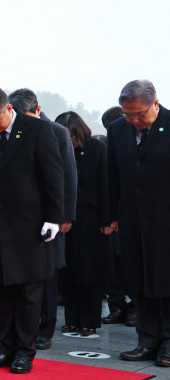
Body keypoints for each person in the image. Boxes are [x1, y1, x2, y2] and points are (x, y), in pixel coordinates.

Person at [0, 87, 64, 374]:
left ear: (9, 109)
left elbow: (53, 174)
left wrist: (54, 218)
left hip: (30, 224)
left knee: (28, 292)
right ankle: (5, 347)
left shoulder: (36, 129)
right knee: (2, 288)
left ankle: (25, 351)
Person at [8, 88, 78, 350]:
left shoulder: (56, 131)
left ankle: (45, 329)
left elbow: (68, 178)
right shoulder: (13, 131)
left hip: (50, 216)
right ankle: (23, 327)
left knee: (46, 274)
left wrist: (65, 216)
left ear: (37, 110)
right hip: (21, 217)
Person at [107, 80, 170, 366]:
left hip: (165, 219)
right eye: (127, 114)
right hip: (133, 218)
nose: (133, 120)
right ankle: (146, 340)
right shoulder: (117, 130)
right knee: (139, 279)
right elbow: (113, 175)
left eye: (139, 114)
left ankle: (168, 342)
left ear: (155, 104)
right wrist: (113, 214)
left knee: (166, 280)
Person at [55, 111, 112, 337]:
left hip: (92, 219)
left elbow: (106, 186)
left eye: (71, 135)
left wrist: (107, 220)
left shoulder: (98, 150)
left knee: (90, 272)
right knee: (69, 272)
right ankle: (72, 319)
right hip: (66, 219)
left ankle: (90, 320)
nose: (69, 140)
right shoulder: (58, 151)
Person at [100, 105, 137, 327]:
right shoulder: (105, 146)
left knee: (130, 265)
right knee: (112, 265)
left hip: (130, 215)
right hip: (112, 215)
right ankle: (117, 306)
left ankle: (134, 308)